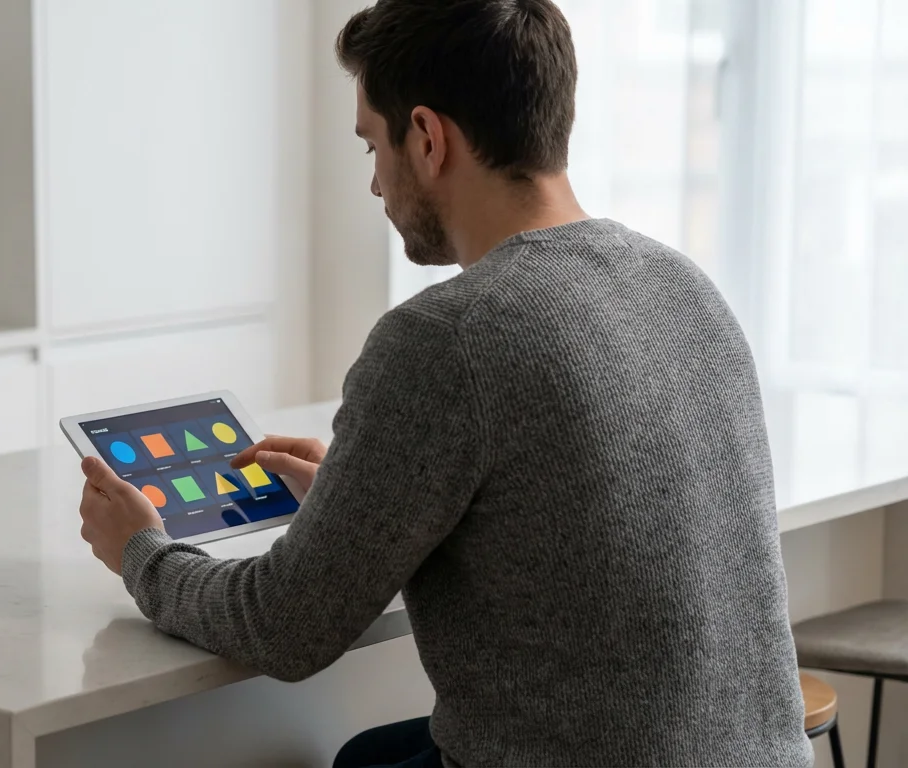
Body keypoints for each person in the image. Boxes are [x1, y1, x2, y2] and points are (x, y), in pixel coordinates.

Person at [76, 0, 813, 765]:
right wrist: (366, 497)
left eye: (371, 147)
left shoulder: (446, 338)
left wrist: (142, 551)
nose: (373, 185)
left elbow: (283, 628)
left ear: (427, 139)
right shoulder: (683, 285)